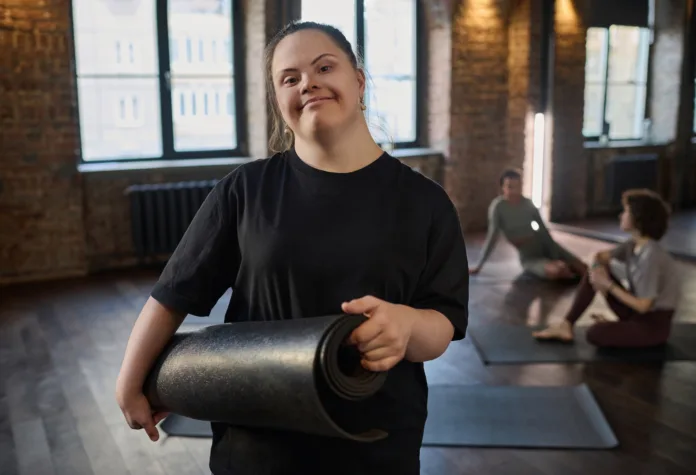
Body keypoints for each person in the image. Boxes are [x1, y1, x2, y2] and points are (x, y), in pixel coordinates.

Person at [114, 21, 469, 475]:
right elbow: (172, 295)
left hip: (376, 442)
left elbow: (444, 322)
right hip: (258, 445)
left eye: (325, 66)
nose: (309, 83)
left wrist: (406, 324)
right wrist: (130, 381)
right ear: (278, 100)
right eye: (290, 78)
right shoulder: (243, 191)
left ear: (358, 81)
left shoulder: (426, 203)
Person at [532, 189, 680, 348]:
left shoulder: (651, 256)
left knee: (595, 333)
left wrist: (607, 284)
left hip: (653, 326)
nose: (621, 215)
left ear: (638, 219)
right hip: (635, 315)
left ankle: (625, 329)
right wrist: (597, 271)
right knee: (597, 271)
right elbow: (600, 257)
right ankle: (566, 325)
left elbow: (644, 306)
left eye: (625, 212)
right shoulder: (632, 245)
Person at [469, 168, 587, 280]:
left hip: (544, 244)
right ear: (502, 188)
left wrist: (554, 255)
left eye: (518, 187)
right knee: (557, 271)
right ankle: (569, 272)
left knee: (583, 268)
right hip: (529, 256)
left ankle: (572, 271)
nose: (514, 191)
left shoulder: (528, 204)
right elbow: (492, 237)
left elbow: (543, 231)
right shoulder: (498, 207)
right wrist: (479, 266)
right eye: (510, 187)